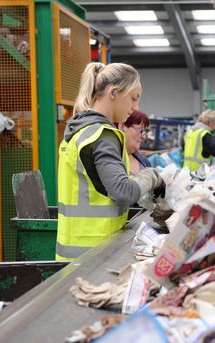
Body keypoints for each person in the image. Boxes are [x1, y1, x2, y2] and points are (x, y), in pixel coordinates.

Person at [56, 62, 164, 261]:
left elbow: (98, 186)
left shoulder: (78, 131)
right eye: (133, 98)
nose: (135, 107)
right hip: (93, 254)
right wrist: (151, 176)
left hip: (72, 253)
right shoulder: (102, 135)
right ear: (113, 93)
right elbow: (122, 192)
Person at [119, 110, 151, 174]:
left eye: (144, 132)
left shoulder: (144, 161)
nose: (143, 137)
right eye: (141, 130)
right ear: (122, 127)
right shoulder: (111, 160)